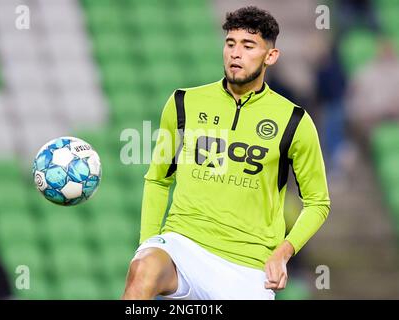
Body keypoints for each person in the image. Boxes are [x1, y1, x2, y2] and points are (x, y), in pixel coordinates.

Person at [122, 6, 330, 300]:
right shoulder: (184, 102)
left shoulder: (294, 121)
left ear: (270, 56)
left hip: (247, 269)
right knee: (142, 270)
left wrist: (284, 252)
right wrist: (146, 245)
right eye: (230, 43)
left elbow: (318, 203)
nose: (236, 53)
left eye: (248, 46)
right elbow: (158, 179)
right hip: (183, 245)